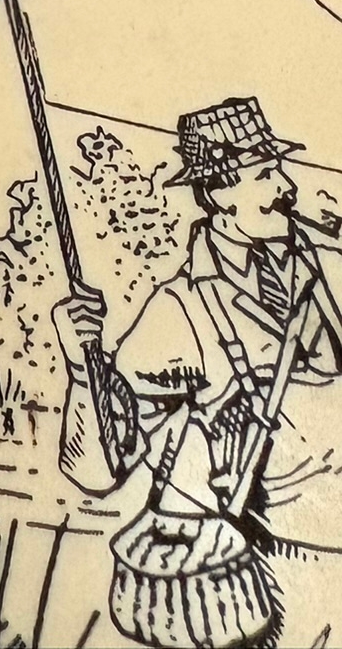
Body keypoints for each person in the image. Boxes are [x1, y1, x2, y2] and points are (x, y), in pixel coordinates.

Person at [52, 96, 342, 646]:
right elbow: (100, 469)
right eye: (265, 174)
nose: (287, 186)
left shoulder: (327, 264)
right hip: (269, 573)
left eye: (278, 169)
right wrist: (80, 365)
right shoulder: (179, 310)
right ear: (219, 195)